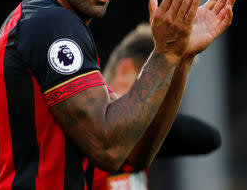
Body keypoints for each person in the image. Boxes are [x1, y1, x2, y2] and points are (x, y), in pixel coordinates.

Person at [0, 0, 238, 190]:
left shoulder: (37, 22)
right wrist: (164, 53)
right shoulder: (52, 22)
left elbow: (133, 154)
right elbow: (109, 149)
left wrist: (180, 58)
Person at [93, 22, 222, 189]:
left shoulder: (140, 138)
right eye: (162, 87)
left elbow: (208, 138)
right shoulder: (84, 123)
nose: (163, 101)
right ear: (126, 71)